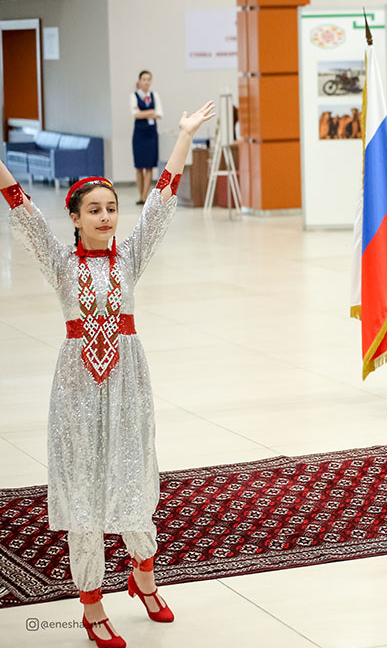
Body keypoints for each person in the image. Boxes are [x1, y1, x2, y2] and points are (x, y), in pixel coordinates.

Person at [1, 101, 215, 648]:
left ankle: (143, 574)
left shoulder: (130, 257)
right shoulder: (59, 262)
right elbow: (21, 208)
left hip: (128, 379)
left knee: (132, 473)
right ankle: (91, 604)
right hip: (77, 383)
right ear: (73, 217)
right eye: (93, 210)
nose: (105, 217)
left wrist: (184, 136)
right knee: (85, 487)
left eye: (112, 208)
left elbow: (163, 201)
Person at [131, 71, 163, 205]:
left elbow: (160, 114)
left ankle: (145, 196)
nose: (146, 82)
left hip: (151, 134)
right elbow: (135, 114)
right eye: (144, 79)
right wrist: (150, 112)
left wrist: (144, 113)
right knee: (139, 166)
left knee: (149, 166)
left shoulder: (154, 95)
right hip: (139, 134)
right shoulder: (134, 96)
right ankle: (140, 195)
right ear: (140, 81)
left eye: (148, 79)